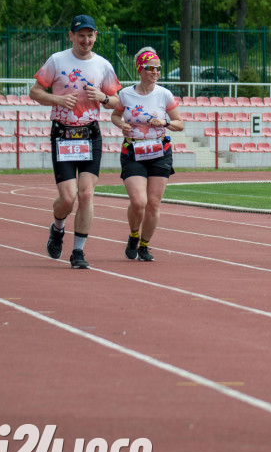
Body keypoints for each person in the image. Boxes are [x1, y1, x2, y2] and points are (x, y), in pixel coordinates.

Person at [30, 15, 122, 269]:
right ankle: (58, 227)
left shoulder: (103, 65)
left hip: (90, 134)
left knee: (86, 193)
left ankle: (78, 251)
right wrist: (58, 100)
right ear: (71, 36)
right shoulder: (57, 60)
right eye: (80, 35)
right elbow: (35, 91)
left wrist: (103, 97)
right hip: (63, 134)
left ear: (95, 36)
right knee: (68, 198)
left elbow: (118, 102)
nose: (86, 40)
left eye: (90, 35)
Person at [111, 47, 183, 262]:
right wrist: (121, 125)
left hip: (160, 152)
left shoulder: (164, 94)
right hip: (134, 151)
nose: (155, 72)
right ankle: (134, 234)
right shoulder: (125, 94)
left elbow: (179, 124)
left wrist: (165, 122)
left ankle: (144, 245)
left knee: (153, 203)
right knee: (139, 201)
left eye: (158, 68)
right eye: (150, 68)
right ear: (140, 69)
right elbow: (115, 116)